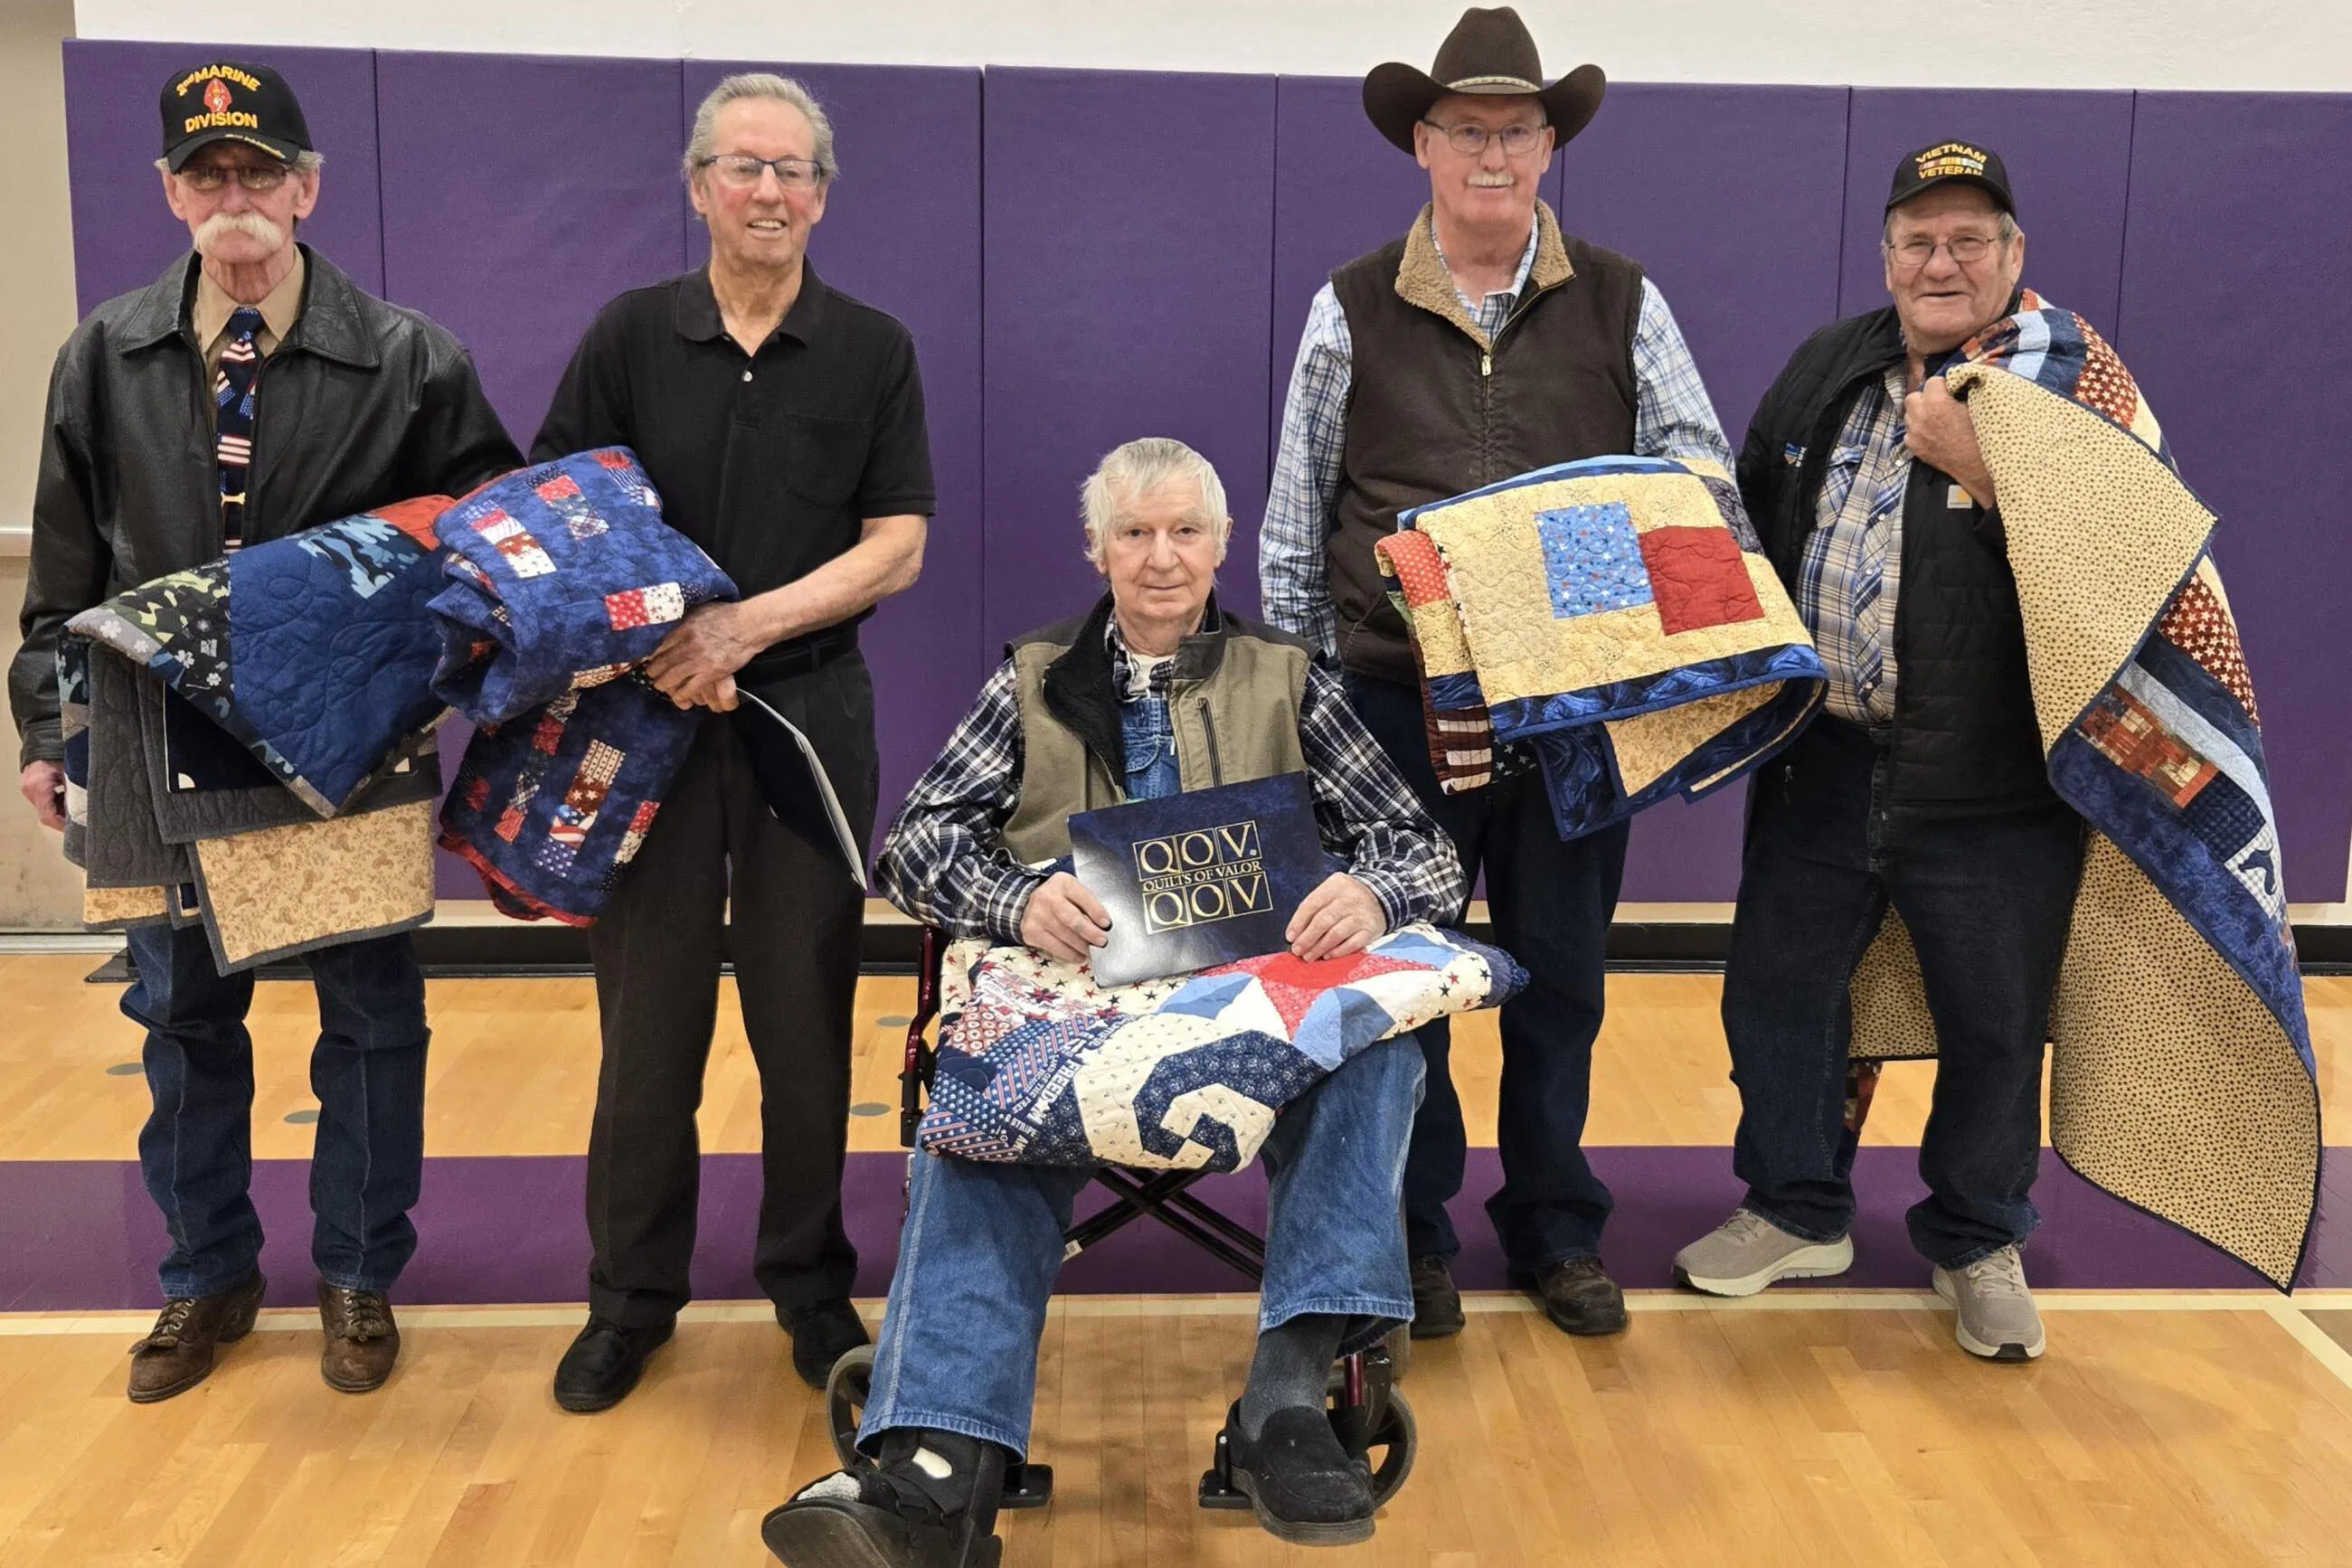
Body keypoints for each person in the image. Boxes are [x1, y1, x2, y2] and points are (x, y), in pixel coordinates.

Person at [759, 438, 1465, 1564]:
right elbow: (921, 842)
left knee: (1379, 1057)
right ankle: (940, 1472)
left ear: (1223, 546)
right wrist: (1014, 894)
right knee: (980, 1097)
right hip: (1070, 1003)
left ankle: (1287, 1409)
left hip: (1253, 994)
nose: (1162, 557)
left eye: (1186, 530)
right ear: (1097, 549)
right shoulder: (1032, 677)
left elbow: (1421, 848)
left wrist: (1371, 892)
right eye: (1134, 533)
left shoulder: (1288, 676)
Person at [10, 60, 520, 1402]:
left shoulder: (412, 356)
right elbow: (62, 579)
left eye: (260, 172)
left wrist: (424, 664)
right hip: (158, 734)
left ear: (306, 187)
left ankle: (357, 1274)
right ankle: (206, 1278)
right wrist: (47, 732)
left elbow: (488, 546)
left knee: (367, 1017)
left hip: (342, 738)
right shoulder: (101, 354)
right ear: (171, 192)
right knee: (180, 1017)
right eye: (206, 174)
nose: (235, 197)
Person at [1260, 5, 1735, 1339]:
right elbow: (1297, 518)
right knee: (1404, 983)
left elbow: (1697, 479)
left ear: (1547, 146)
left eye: (1515, 130)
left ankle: (1552, 1226)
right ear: (1422, 142)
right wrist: (1308, 713)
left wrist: (1641, 629)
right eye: (1465, 128)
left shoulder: (1628, 301)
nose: (1491, 152)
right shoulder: (1346, 305)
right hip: (1388, 708)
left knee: (1562, 976)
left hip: (1574, 711)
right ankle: (1410, 1235)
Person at [531, 72, 935, 1412]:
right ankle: (629, 1300)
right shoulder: (630, 333)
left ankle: (812, 1288)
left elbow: (897, 543)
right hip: (643, 717)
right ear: (700, 184)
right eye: (743, 167)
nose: (769, 192)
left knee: (804, 1015)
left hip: (806, 720)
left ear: (823, 193)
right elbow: (560, 511)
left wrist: (739, 630)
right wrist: (662, 639)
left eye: (793, 171)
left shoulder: (873, 348)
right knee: (646, 1024)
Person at [1671, 143, 2081, 1362]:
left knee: (1996, 1020)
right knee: (1777, 993)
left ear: (2013, 256)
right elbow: (1739, 518)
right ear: (1886, 256)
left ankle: (1977, 1234)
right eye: (1917, 239)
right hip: (1826, 755)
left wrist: (1987, 471)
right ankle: (1794, 1205)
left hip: (1995, 776)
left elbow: (2127, 564)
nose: (1940, 261)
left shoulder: (2071, 382)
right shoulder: (1829, 363)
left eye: (1968, 240)